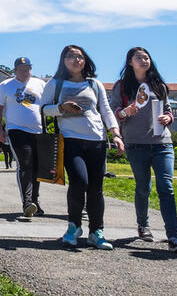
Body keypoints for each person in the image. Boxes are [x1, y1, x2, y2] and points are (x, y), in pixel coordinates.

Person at [40, 45, 123, 250]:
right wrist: (61, 108)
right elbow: (43, 109)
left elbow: (105, 110)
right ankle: (73, 227)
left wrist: (116, 134)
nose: (76, 60)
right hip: (70, 139)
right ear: (63, 60)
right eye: (70, 56)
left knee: (96, 188)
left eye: (79, 56)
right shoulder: (55, 83)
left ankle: (96, 232)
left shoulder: (94, 84)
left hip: (97, 139)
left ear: (85, 60)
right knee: (79, 181)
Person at [110, 47, 177, 254]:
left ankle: (174, 237)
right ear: (130, 62)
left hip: (162, 143)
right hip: (136, 144)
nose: (144, 60)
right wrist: (125, 112)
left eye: (146, 57)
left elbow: (168, 110)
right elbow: (114, 111)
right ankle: (143, 225)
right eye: (139, 58)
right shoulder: (122, 86)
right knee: (143, 187)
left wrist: (168, 118)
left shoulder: (158, 85)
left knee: (166, 187)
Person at [0, 57, 46, 217]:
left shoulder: (40, 84)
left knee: (36, 167)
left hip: (38, 131)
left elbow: (48, 105)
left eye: (28, 68)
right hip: (17, 130)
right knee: (25, 163)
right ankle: (27, 203)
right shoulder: (6, 86)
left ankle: (35, 201)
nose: (25, 72)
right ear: (14, 71)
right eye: (21, 69)